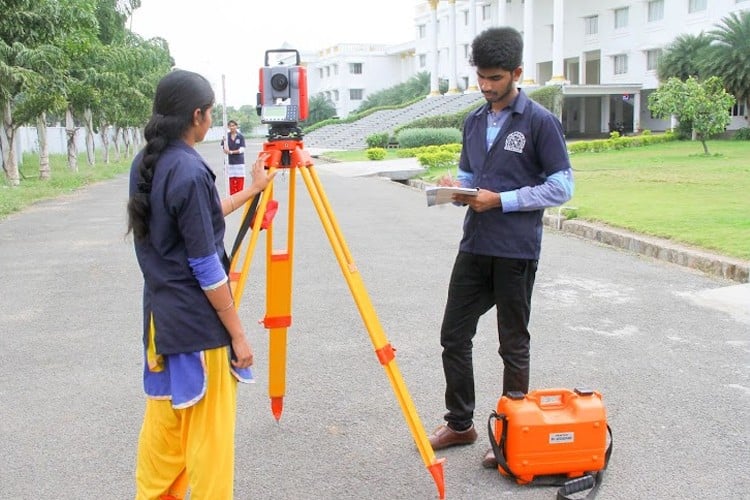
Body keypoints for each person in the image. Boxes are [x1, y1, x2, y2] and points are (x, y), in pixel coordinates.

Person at [426, 27, 575, 469]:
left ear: (517, 73)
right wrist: (456, 187)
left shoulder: (540, 122)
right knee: (453, 335)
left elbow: (562, 185)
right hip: (475, 245)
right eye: (481, 78)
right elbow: (471, 177)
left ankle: (512, 434)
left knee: (512, 344)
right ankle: (460, 423)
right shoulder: (473, 120)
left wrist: (504, 201)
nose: (487, 86)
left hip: (515, 250)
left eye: (494, 78)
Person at [126, 69, 275, 499]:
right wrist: (239, 336)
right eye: (210, 113)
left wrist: (252, 190)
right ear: (197, 116)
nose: (211, 120)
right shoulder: (189, 171)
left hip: (161, 328)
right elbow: (206, 266)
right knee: (209, 454)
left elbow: (196, 223)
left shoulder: (147, 162)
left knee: (164, 449)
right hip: (199, 335)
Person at [221, 119, 246, 195]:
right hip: (230, 162)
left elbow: (242, 149)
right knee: (231, 180)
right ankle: (232, 196)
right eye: (230, 126)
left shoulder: (240, 136)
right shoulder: (226, 136)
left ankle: (240, 195)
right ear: (228, 127)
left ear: (236, 126)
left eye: (233, 125)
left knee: (239, 179)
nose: (232, 127)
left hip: (239, 162)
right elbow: (223, 147)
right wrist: (225, 148)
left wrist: (231, 152)